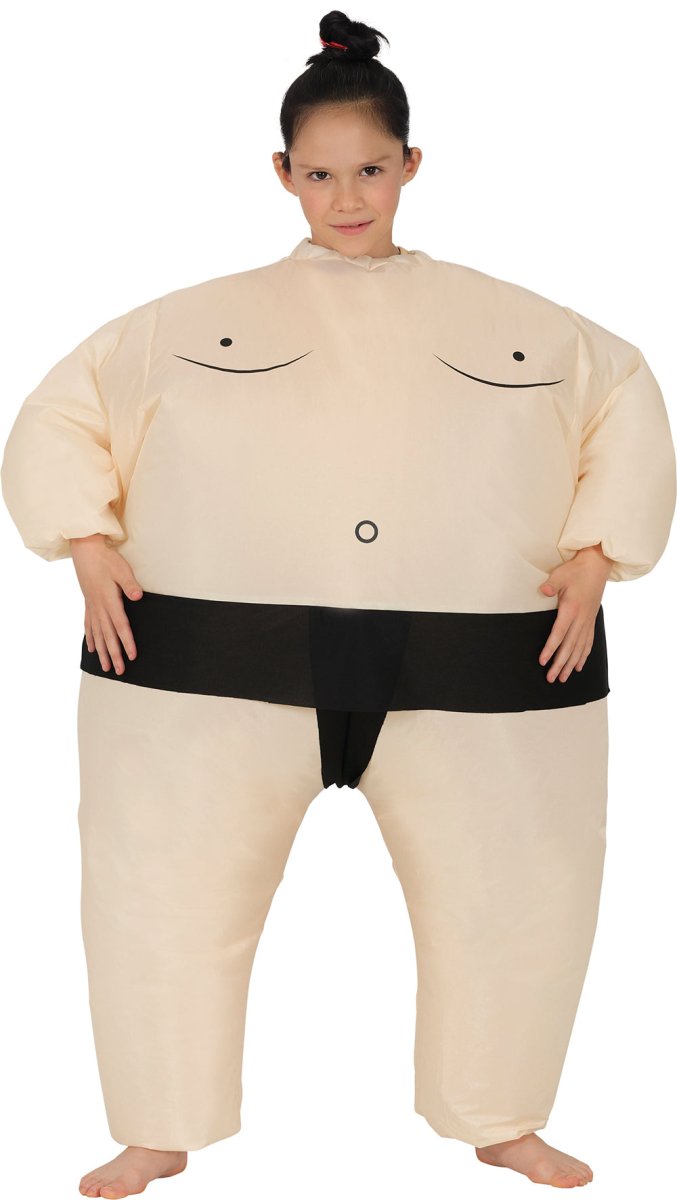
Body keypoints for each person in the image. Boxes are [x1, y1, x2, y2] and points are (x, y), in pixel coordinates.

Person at [2, 10, 676, 1198]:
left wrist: (595, 556)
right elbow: (64, 411)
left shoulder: (532, 329)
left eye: (369, 170)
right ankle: (157, 1125)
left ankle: (500, 1116)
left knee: (517, 891)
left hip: (483, 667)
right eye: (318, 174)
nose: (346, 197)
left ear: (411, 165)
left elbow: (624, 398)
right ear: (281, 174)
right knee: (161, 891)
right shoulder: (174, 326)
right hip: (205, 659)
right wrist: (84, 539)